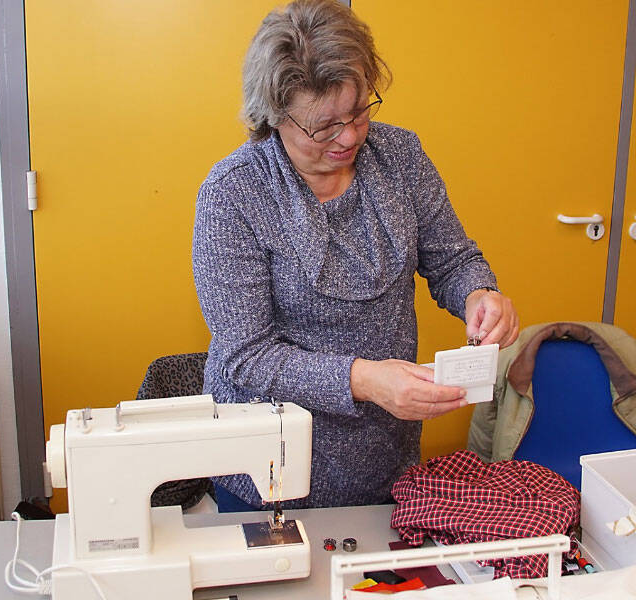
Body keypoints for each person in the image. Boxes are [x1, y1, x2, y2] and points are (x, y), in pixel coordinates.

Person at [192, 0, 518, 510]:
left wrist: (480, 294)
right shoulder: (234, 194)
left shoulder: (400, 155)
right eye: (323, 126)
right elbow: (245, 356)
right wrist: (365, 379)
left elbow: (452, 259)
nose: (348, 136)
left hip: (383, 456)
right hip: (269, 465)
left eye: (359, 111)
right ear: (274, 116)